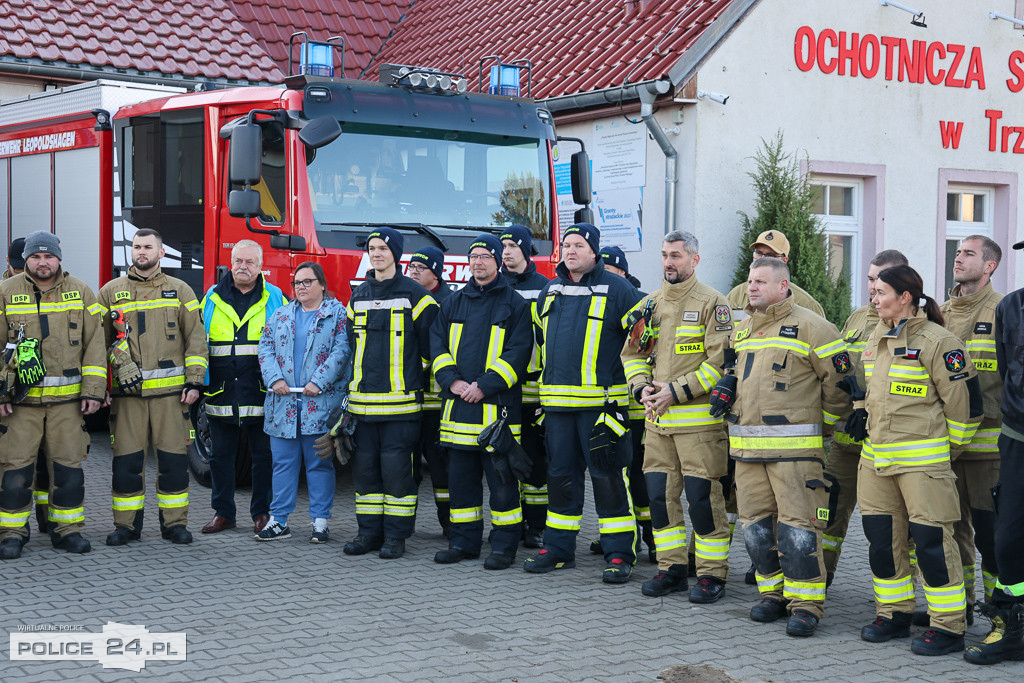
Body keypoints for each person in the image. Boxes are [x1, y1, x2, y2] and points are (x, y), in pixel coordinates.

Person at [712, 257, 851, 637]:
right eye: (750, 281)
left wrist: (819, 431)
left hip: (796, 457)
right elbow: (734, 373)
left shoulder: (815, 328)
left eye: (760, 281)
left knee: (798, 531)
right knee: (756, 529)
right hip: (747, 454)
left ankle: (806, 605)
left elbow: (840, 391)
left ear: (783, 286)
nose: (751, 287)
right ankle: (772, 595)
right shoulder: (741, 330)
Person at [855, 264, 982, 656]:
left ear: (905, 297)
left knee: (931, 545)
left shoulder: (939, 342)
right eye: (873, 292)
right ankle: (893, 613)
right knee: (881, 541)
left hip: (923, 467)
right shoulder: (877, 335)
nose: (874, 299)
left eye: (881, 292)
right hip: (876, 463)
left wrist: (944, 454)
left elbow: (966, 409)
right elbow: (870, 393)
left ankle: (948, 627)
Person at [523, 223, 642, 583]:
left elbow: (640, 345)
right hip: (558, 409)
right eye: (566, 245)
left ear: (594, 251)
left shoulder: (620, 291)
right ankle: (558, 550)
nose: (570, 251)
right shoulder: (551, 288)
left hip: (601, 409)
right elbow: (540, 343)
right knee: (560, 479)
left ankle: (620, 553)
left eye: (577, 245)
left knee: (608, 480)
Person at [621, 231, 733, 601]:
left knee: (702, 500)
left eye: (677, 256)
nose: (669, 262)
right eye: (665, 255)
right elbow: (632, 355)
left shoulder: (713, 304)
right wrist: (642, 388)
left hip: (699, 428)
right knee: (659, 498)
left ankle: (711, 574)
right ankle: (672, 569)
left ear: (694, 260)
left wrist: (674, 391)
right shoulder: (649, 304)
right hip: (657, 424)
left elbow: (720, 366)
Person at [98, 228, 208, 546]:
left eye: (148, 247)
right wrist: (120, 364)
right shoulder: (109, 292)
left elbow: (196, 341)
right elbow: (98, 342)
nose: (141, 252)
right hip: (127, 398)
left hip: (172, 398)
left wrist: (194, 382)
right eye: (136, 246)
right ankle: (126, 527)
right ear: (130, 252)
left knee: (173, 465)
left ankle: (174, 525)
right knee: (127, 465)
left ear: (161, 253)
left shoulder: (181, 290)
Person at [430, 234, 532, 569]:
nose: (478, 262)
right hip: (458, 410)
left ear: (497, 260)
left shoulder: (514, 304)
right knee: (461, 486)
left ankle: (504, 548)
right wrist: (454, 381)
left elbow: (518, 353)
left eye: (485, 256)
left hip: (496, 413)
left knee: (503, 486)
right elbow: (437, 347)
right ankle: (463, 543)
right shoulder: (453, 302)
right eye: (473, 256)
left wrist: (484, 386)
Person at [0, 232, 104, 559]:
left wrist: (94, 392)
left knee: (68, 470)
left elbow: (95, 347)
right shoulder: (5, 292)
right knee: (15, 471)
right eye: (35, 257)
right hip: (20, 405)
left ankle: (67, 531)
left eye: (49, 256)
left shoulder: (82, 292)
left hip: (68, 405)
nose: (42, 262)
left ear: (58, 258)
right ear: (26, 260)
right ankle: (12, 534)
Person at [344, 227, 438, 559]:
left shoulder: (417, 296)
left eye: (383, 248)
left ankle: (396, 537)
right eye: (372, 248)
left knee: (398, 476)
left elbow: (432, 349)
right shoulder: (358, 295)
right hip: (363, 406)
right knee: (366, 475)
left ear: (395, 253)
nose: (377, 253)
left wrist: (412, 376)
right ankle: (369, 533)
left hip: (401, 407)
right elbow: (352, 347)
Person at [824, 249, 909, 584]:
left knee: (892, 525)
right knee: (826, 511)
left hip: (888, 448)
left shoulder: (916, 325)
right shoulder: (858, 318)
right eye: (870, 279)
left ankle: (905, 596)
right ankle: (818, 579)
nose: (873, 287)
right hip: (846, 443)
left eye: (880, 280)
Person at [256, 262, 350, 542]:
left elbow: (342, 350)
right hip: (283, 405)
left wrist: (318, 381)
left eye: (308, 282)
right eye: (297, 282)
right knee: (283, 464)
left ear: (322, 284)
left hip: (319, 406)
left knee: (319, 464)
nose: (301, 287)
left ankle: (320, 522)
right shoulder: (281, 314)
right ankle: (278, 521)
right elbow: (266, 347)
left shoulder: (338, 315)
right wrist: (274, 380)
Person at [936, 236, 1003, 625]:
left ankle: (1002, 614)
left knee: (992, 538)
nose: (958, 258)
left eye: (969, 254)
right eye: (958, 252)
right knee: (952, 533)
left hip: (988, 453)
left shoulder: (1003, 310)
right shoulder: (942, 311)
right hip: (946, 449)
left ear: (990, 265)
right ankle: (960, 608)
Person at [200, 240, 286, 535]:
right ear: (230, 261)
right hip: (221, 392)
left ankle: (261, 514)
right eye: (238, 261)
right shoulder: (211, 297)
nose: (243, 267)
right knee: (219, 456)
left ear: (261, 266)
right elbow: (199, 343)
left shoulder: (276, 298)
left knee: (263, 458)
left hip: (261, 393)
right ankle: (223, 513)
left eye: (250, 262)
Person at [967, 239, 1024, 664]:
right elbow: (1008, 372)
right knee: (1007, 541)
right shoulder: (1013, 308)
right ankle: (1014, 626)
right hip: (1017, 439)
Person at [596, 245, 654, 562]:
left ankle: (652, 537)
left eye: (611, 271)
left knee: (640, 475)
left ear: (623, 273)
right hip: (608, 404)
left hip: (637, 406)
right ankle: (616, 535)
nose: (605, 277)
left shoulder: (640, 301)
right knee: (612, 474)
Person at [499, 225, 549, 549]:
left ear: (526, 250)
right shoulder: (495, 286)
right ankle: (511, 524)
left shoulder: (545, 287)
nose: (505, 252)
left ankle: (536, 526)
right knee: (504, 459)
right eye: (502, 246)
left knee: (534, 462)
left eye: (512, 246)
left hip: (533, 391)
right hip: (502, 390)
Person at [2, 236, 48, 534]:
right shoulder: (5, 294)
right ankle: (15, 527)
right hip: (15, 400)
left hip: (50, 399)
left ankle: (48, 519)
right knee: (15, 466)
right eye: (17, 267)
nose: (23, 272)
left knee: (48, 464)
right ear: (10, 264)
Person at [407, 246, 452, 536]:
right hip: (409, 401)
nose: (413, 272)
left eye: (420, 268)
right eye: (410, 267)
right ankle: (403, 526)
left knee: (441, 470)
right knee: (406, 469)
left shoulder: (448, 303)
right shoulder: (406, 297)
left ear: (435, 272)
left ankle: (450, 526)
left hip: (437, 402)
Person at [726, 230, 825, 317]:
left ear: (784, 260)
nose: (762, 258)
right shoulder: (736, 295)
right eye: (759, 253)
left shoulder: (806, 304)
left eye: (770, 255)